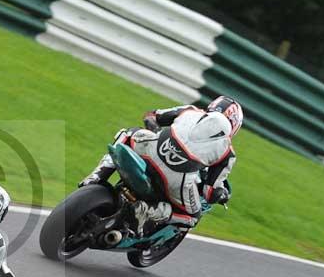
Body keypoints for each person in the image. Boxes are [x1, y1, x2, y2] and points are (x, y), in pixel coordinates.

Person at [79, 96, 243, 234]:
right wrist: (222, 195)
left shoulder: (191, 110)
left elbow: (151, 116)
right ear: (235, 125)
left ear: (212, 106)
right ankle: (146, 210)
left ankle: (96, 176)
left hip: (149, 150)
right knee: (192, 217)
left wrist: (157, 132)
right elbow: (209, 192)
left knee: (127, 133)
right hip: (176, 180)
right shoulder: (228, 152)